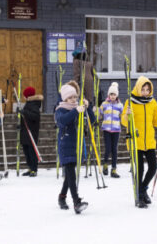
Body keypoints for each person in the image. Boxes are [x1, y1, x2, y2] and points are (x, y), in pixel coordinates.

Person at [121, 76, 157, 208]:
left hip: (149, 142)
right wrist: (127, 115)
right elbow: (124, 122)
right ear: (137, 88)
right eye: (143, 89)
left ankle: (142, 189)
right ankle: (139, 196)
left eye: (148, 89)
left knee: (153, 167)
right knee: (139, 170)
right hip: (136, 141)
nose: (145, 92)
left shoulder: (152, 103)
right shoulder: (130, 102)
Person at [55, 81, 94, 214]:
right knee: (70, 172)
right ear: (65, 98)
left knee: (70, 175)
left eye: (75, 97)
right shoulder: (60, 110)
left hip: (77, 145)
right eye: (70, 97)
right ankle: (76, 201)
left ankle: (62, 197)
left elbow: (92, 121)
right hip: (65, 144)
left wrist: (87, 107)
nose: (73, 99)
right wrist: (76, 111)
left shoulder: (79, 108)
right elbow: (63, 121)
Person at [99, 82, 124, 178]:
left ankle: (113, 169)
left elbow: (123, 116)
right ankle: (105, 164)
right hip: (106, 129)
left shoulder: (120, 105)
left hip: (116, 129)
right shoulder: (104, 104)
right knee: (108, 148)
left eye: (114, 94)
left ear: (116, 95)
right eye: (111, 94)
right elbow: (99, 113)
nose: (113, 96)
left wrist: (128, 114)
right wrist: (95, 111)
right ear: (108, 95)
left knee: (114, 149)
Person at [19, 86, 43, 177]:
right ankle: (30, 167)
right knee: (26, 151)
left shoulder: (33, 104)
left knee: (32, 151)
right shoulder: (28, 103)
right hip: (25, 131)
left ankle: (34, 169)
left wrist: (24, 112)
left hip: (31, 131)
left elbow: (35, 117)